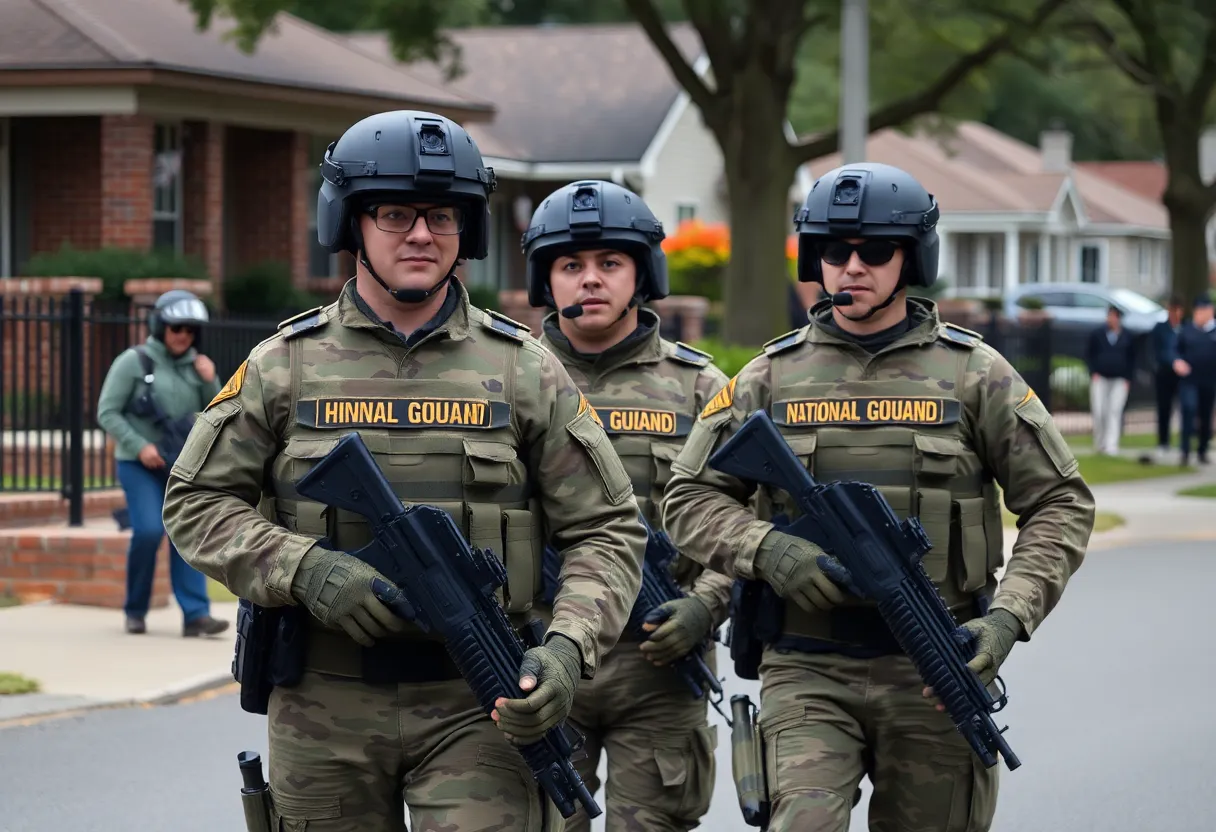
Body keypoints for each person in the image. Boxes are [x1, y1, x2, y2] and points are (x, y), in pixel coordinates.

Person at [161, 110, 645, 832]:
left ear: (467, 231)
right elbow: (195, 500)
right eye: (394, 214)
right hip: (323, 702)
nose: (421, 234)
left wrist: (569, 648)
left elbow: (607, 530)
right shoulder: (283, 365)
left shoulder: (524, 370)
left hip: (480, 703)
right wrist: (304, 568)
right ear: (351, 222)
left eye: (442, 216)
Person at [660, 162, 1096, 832]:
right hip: (807, 668)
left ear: (912, 257)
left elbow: (1060, 503)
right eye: (835, 251)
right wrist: (770, 551)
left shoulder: (977, 375)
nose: (852, 267)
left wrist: (1008, 619)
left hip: (933, 665)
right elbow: (689, 497)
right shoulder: (768, 377)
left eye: (874, 251)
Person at [522, 180, 733, 832]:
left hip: (661, 671)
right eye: (571, 266)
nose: (590, 281)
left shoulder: (700, 387)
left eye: (609, 264)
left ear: (643, 273)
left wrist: (706, 604)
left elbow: (752, 519)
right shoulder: (504, 379)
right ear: (545, 278)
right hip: (537, 660)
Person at [96, 289, 229, 638]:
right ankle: (135, 610)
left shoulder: (196, 365)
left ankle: (196, 615)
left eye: (189, 329)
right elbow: (107, 411)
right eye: (175, 327)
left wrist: (209, 378)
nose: (183, 334)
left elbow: (216, 412)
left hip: (179, 467)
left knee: (187, 535)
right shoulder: (133, 361)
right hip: (138, 464)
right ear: (159, 326)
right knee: (148, 531)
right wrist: (139, 446)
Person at [1084, 305, 1136, 456]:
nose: (1111, 319)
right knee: (1099, 410)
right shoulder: (1097, 334)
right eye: (1109, 316)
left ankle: (1111, 445)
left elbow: (1132, 358)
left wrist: (1128, 378)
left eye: (1114, 316)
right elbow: (1089, 354)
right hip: (1100, 377)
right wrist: (1093, 371)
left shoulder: (1127, 336)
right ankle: (1100, 443)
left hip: (1119, 379)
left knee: (1114, 410)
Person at [1173, 294, 1216, 466]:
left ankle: (1202, 449)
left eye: (1202, 311)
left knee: (1206, 415)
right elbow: (1176, 350)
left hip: (1209, 380)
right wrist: (1177, 361)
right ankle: (1184, 450)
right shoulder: (1187, 330)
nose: (1199, 314)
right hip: (1189, 379)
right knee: (1189, 409)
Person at [1150, 297, 1184, 460]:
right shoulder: (1160, 328)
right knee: (1164, 408)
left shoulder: (1184, 328)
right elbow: (1158, 351)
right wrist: (1172, 362)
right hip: (1164, 374)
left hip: (1182, 376)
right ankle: (1163, 441)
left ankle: (1184, 441)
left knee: (1185, 408)